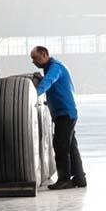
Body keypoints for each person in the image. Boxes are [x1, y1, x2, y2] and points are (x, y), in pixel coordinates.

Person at [30, 46, 85, 190]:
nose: (33, 61)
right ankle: (80, 179)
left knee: (60, 146)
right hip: (66, 113)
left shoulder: (55, 67)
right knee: (71, 146)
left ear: (44, 54)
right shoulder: (51, 68)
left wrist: (33, 95)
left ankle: (65, 179)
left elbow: (49, 81)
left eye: (35, 58)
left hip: (65, 114)